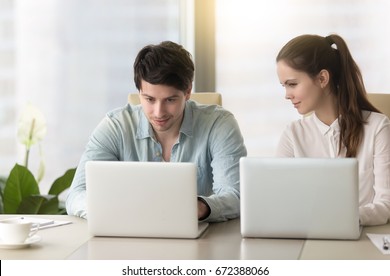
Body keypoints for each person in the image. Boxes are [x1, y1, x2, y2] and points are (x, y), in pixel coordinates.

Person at [66, 41, 247, 222]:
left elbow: (235, 195)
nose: (159, 112)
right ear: (139, 92)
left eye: (170, 100)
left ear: (188, 92)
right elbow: (76, 195)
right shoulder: (116, 127)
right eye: (149, 99)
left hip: (203, 241)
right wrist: (113, 210)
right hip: (129, 237)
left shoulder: (219, 124)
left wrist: (201, 207)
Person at [275, 34, 390, 226]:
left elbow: (386, 204)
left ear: (322, 78)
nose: (287, 95)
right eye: (284, 86)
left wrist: (341, 219)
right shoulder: (292, 134)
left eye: (292, 84)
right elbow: (279, 201)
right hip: (307, 237)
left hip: (361, 239)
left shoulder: (377, 127)